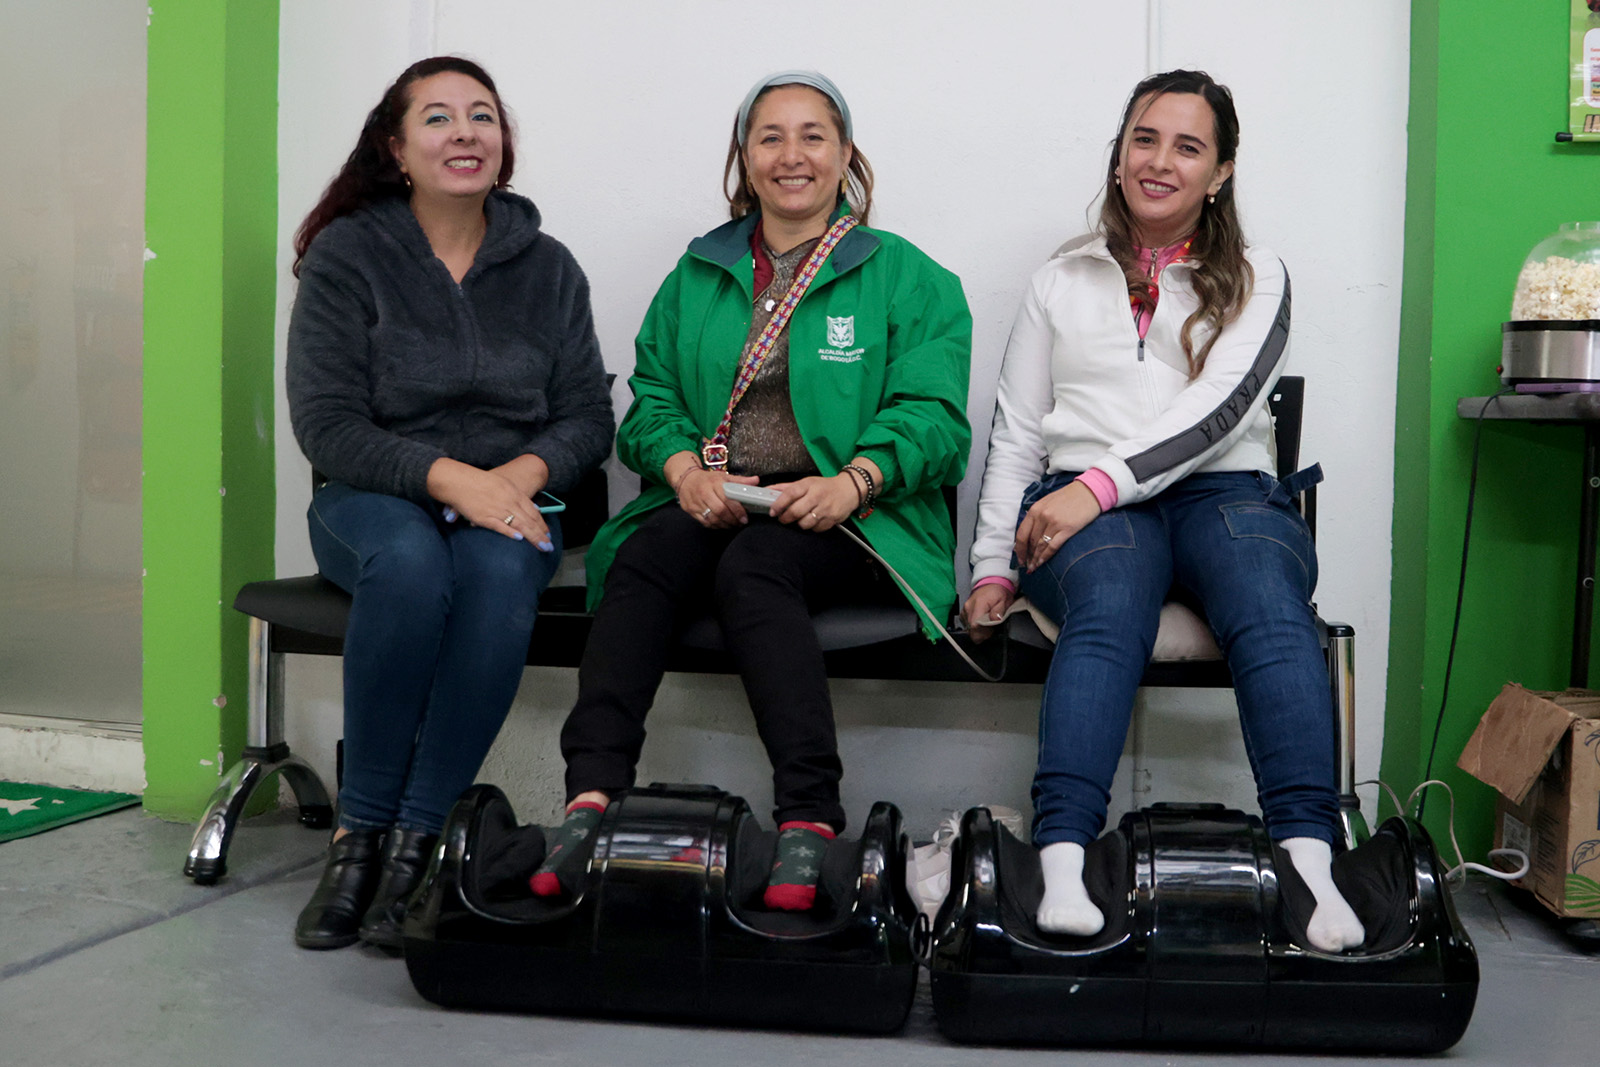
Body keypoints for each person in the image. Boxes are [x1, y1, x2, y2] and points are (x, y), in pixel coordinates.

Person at [531, 71, 971, 912]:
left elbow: (937, 418)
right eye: (771, 136)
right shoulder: (700, 271)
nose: (791, 155)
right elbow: (651, 400)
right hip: (720, 498)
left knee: (756, 567)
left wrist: (854, 481)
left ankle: (808, 818)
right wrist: (684, 473)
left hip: (854, 518)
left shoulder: (909, 277)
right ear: (745, 157)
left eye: (813, 135)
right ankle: (589, 798)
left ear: (845, 154)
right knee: (646, 556)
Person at [963, 70, 1366, 953]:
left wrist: (1094, 487)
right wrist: (992, 563)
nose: (1160, 161)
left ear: (1220, 172)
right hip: (1085, 503)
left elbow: (1217, 413)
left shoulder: (1259, 275)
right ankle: (1063, 856)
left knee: (1269, 603)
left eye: (1188, 147)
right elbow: (1018, 431)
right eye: (1144, 139)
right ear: (1119, 155)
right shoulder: (1059, 278)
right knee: (1110, 604)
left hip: (1220, 490)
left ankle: (1311, 861)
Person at [285, 56, 614, 950]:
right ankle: (358, 837)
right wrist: (452, 478)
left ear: (503, 143)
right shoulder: (348, 256)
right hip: (373, 496)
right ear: (396, 149)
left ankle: (419, 843)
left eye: (481, 115)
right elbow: (326, 424)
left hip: (513, 498)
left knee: (499, 574)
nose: (464, 132)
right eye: (437, 117)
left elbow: (588, 417)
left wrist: (519, 477)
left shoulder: (549, 268)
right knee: (409, 562)